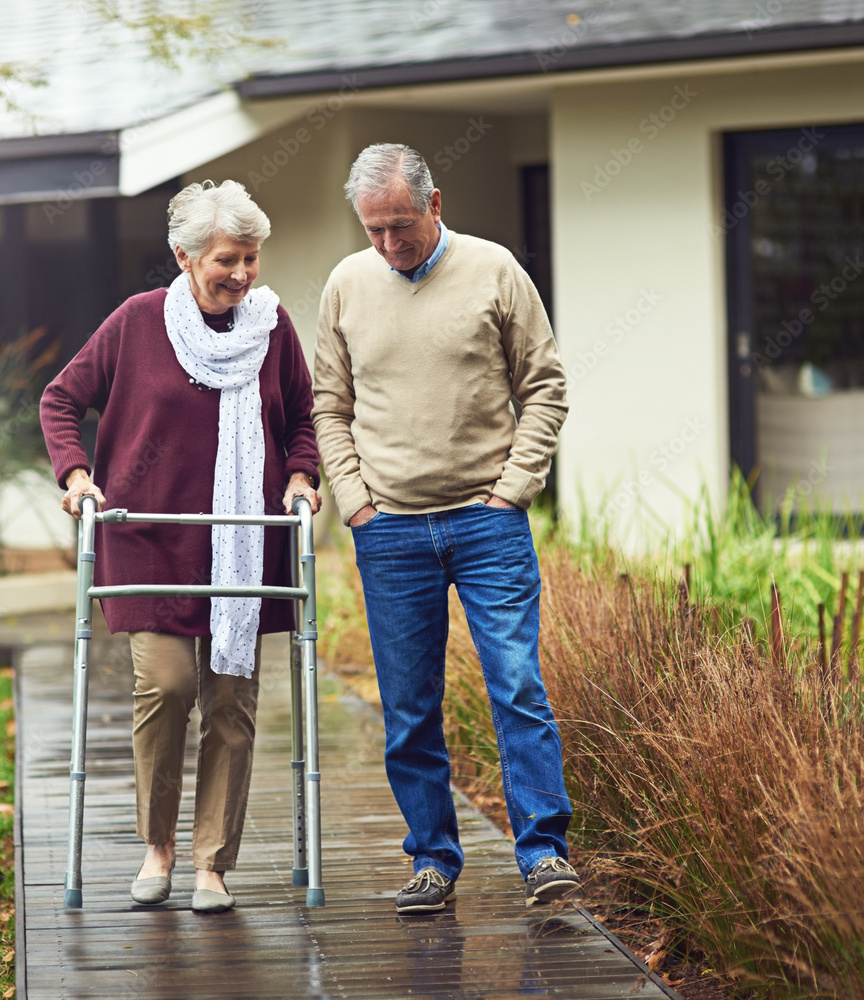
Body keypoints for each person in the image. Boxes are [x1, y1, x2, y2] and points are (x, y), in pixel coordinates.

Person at [312, 143, 580, 914]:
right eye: (374, 231)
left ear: (435, 204)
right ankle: (433, 857)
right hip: (390, 530)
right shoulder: (346, 285)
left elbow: (546, 386)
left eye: (401, 225)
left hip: (487, 522)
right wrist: (356, 501)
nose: (390, 245)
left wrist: (513, 492)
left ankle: (542, 853)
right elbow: (329, 405)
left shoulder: (496, 271)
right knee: (407, 707)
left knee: (517, 685)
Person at [40, 179, 321, 914]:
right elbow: (61, 399)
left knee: (231, 701)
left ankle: (211, 866)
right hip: (152, 542)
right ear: (185, 256)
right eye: (228, 259)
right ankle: (157, 846)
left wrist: (300, 475)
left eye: (252, 258)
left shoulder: (271, 326)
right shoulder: (137, 323)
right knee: (166, 688)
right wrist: (76, 475)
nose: (242, 274)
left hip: (244, 545)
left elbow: (303, 418)